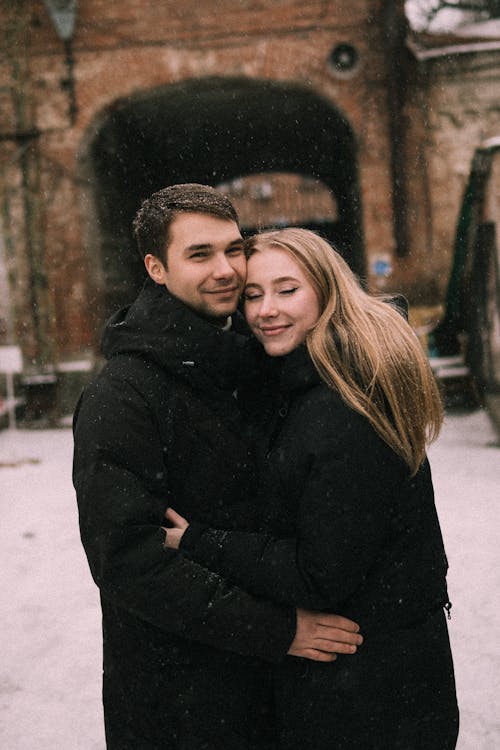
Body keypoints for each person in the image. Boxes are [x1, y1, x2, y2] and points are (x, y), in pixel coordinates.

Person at [72, 187, 362, 750]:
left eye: (234, 250)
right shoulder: (124, 394)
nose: (226, 269)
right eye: (200, 254)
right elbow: (128, 558)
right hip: (181, 697)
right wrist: (277, 630)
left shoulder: (253, 362)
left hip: (271, 689)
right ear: (156, 268)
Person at [165, 227, 460, 749]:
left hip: (373, 699)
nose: (265, 311)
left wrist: (199, 542)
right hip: (372, 682)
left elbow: (320, 574)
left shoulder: (343, 407)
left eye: (287, 290)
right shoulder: (311, 383)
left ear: (327, 291)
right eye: (252, 295)